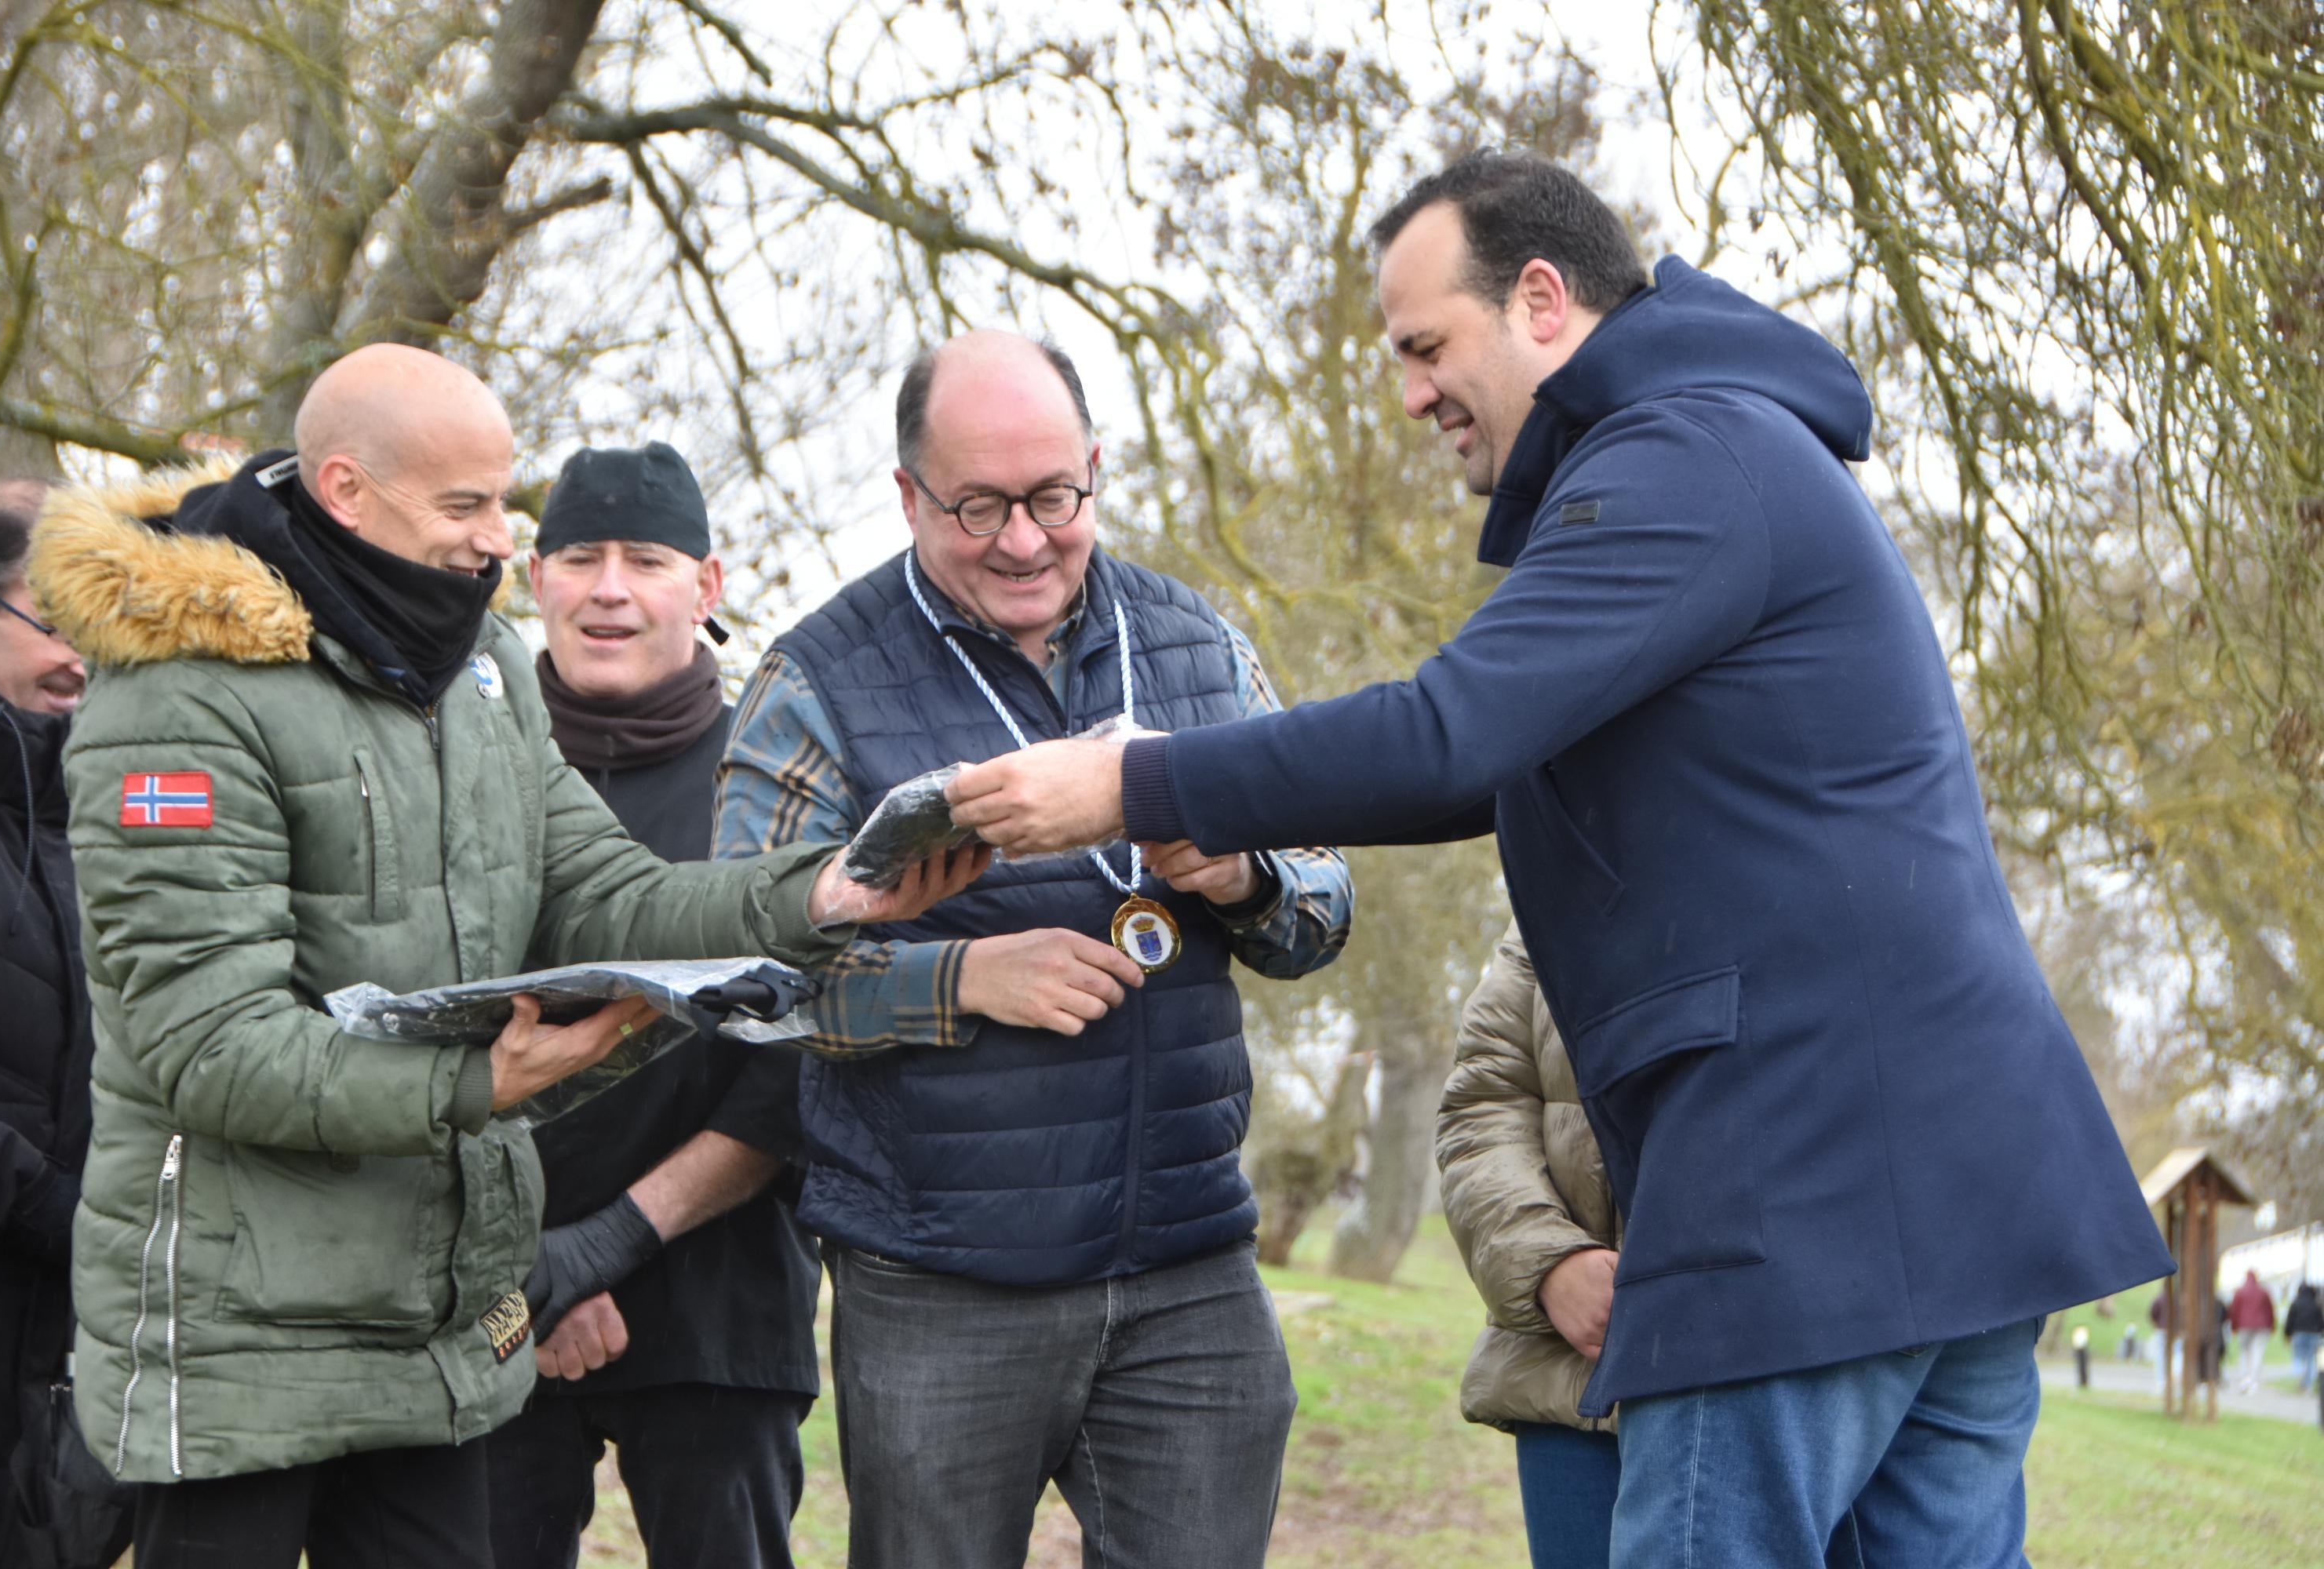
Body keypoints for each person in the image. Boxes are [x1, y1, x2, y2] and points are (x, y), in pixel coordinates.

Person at [942, 151, 2173, 1567]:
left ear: (1540, 299)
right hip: (1952, 1191)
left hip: (1810, 1184)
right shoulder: (1723, 451)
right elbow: (1495, 749)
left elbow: (1453, 732)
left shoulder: (1679, 456)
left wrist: (1129, 779)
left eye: (1424, 346)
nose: (1409, 393)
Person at [27, 344, 975, 1569]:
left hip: (433, 1328)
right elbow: (210, 1049)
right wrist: (477, 1085)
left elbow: (606, 894)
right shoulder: (179, 692)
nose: (495, 544)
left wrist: (830, 891)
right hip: (235, 1340)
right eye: (464, 507)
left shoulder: (476, 678)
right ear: (347, 489)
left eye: (501, 505)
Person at [713, 329, 1354, 1569]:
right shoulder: (815, 681)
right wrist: (958, 983)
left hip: (1188, 1265)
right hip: (942, 1280)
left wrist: (1241, 873)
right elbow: (745, 985)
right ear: (908, 495)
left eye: (1054, 498)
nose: (1023, 539)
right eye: (978, 506)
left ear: (1096, 471)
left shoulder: (1197, 642)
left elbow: (1324, 906)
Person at [483, 442, 818, 1568]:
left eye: (648, 559)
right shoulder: (462, 772)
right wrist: (533, 1260)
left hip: (721, 1308)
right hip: (495, 1301)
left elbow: (803, 1060)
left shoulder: (775, 785)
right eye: (580, 557)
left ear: (708, 586)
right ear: (536, 577)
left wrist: (611, 1243)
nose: (610, 587)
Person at [0, 479, 130, 1569]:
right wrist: (41, 1200)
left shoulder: (137, 810)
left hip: (68, 1358)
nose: (83, 654)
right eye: (52, 616)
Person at [1436, 922, 1619, 1568]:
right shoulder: (1555, 887)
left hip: (1769, 1378)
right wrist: (1548, 1262)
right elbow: (1482, 1106)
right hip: (1573, 1380)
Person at [2227, 1269, 2276, 1393]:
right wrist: (2272, 1326)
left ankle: (2244, 1378)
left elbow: (2234, 1311)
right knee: (2257, 1353)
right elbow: (2270, 1310)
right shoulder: (2263, 1292)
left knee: (2244, 1353)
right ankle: (2254, 1380)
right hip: (2262, 1326)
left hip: (2244, 1326)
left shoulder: (2240, 1292)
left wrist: (2234, 1327)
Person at [2285, 1281, 2322, 1396]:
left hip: (2299, 1333)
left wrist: (2287, 1333)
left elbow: (2290, 1320)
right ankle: (2307, 1384)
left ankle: (2301, 1379)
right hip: (2314, 1334)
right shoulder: (2316, 1304)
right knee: (2311, 1359)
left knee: (2298, 1357)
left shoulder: (2295, 1303)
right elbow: (2321, 1321)